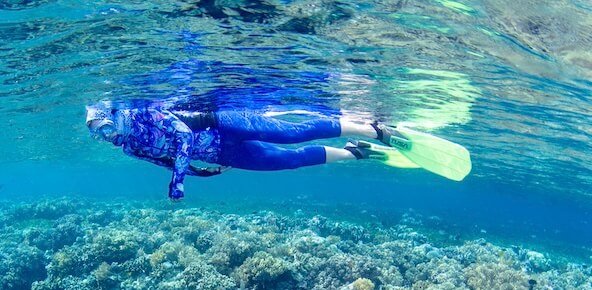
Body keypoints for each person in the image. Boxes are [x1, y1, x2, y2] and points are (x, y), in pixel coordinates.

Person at [84, 102, 402, 200]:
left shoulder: (142, 113)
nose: (105, 137)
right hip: (223, 155)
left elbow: (183, 136)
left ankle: (371, 129)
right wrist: (203, 173)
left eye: (104, 128)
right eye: (98, 135)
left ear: (112, 116)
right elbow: (167, 161)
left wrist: (179, 181)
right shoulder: (130, 149)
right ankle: (352, 153)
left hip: (224, 125)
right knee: (288, 161)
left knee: (292, 133)